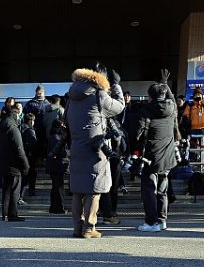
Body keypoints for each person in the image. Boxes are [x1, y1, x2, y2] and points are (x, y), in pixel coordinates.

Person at [66, 65, 125, 239]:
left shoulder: (72, 97)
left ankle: (77, 227)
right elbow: (119, 106)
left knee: (78, 191)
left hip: (77, 146)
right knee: (94, 190)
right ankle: (88, 228)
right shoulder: (98, 95)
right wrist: (116, 86)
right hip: (95, 147)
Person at [135, 80, 178, 232]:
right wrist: (166, 85)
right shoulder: (172, 108)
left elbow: (139, 134)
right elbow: (172, 99)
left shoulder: (145, 110)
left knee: (148, 189)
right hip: (168, 154)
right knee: (162, 189)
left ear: (149, 96)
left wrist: (136, 151)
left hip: (151, 155)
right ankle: (162, 220)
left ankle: (151, 222)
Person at [0, 104, 29, 221]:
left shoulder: (2, 126)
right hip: (13, 164)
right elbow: (19, 149)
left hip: (3, 163)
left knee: (6, 190)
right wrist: (25, 165)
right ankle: (12, 214)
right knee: (14, 190)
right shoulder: (13, 128)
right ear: (15, 114)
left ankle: (5, 214)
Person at [45, 118, 69, 214]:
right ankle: (59, 208)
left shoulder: (53, 136)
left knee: (56, 187)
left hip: (55, 165)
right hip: (57, 165)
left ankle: (54, 207)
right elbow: (59, 152)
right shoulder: (56, 138)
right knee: (59, 187)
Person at [20, 112, 38, 200]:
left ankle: (20, 195)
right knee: (30, 174)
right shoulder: (30, 131)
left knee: (24, 175)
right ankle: (28, 192)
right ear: (31, 121)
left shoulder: (20, 127)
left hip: (23, 154)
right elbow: (33, 145)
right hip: (29, 156)